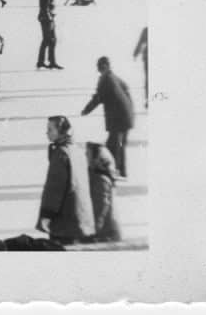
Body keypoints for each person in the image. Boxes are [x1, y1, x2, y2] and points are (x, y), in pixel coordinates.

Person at [35, 115, 95, 245]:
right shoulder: (76, 149)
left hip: (64, 219)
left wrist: (47, 215)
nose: (47, 133)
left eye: (50, 129)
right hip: (79, 217)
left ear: (61, 131)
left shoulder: (61, 153)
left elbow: (55, 188)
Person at [80, 57, 135, 178]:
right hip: (126, 116)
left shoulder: (106, 80)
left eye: (100, 69)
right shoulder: (115, 77)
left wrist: (86, 110)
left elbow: (98, 98)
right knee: (119, 145)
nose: (99, 71)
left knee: (113, 146)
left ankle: (113, 172)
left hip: (118, 118)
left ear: (104, 67)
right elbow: (126, 90)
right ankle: (121, 171)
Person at [85, 142, 122, 243]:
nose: (85, 156)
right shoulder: (95, 174)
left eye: (87, 154)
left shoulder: (101, 179)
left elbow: (101, 207)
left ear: (96, 158)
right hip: (104, 230)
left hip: (106, 233)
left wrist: (93, 231)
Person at [36, 0, 62, 70]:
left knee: (50, 40)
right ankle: (43, 62)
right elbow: (44, 8)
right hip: (46, 19)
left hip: (49, 18)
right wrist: (50, 20)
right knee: (48, 40)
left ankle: (49, 62)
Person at [134, 27, 149, 109]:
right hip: (147, 57)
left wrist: (136, 53)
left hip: (147, 57)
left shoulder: (146, 30)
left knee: (148, 79)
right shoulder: (146, 30)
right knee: (148, 79)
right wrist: (136, 52)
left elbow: (140, 43)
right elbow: (141, 43)